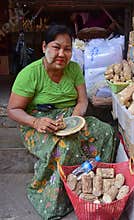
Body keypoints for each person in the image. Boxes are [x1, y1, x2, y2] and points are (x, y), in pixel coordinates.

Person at [7, 24, 117, 220]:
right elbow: (13, 110)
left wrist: (75, 119)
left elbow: (82, 101)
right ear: (44, 47)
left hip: (70, 115)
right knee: (65, 146)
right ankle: (58, 198)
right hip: (37, 121)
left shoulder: (73, 69)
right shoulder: (30, 73)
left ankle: (91, 186)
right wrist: (36, 123)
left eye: (67, 49)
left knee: (106, 131)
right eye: (56, 47)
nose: (61, 54)